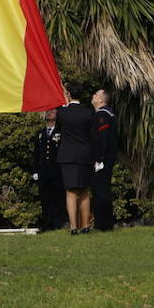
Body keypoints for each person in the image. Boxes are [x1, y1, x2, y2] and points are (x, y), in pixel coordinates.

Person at [56, 86, 95, 234]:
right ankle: (85, 226)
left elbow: (59, 128)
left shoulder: (63, 112)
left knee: (70, 192)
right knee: (84, 191)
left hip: (67, 154)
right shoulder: (88, 112)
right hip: (84, 154)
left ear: (69, 94)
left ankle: (73, 227)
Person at [31, 108, 66, 230]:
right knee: (45, 199)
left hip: (57, 171)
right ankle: (47, 223)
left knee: (58, 198)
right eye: (48, 111)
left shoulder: (61, 132)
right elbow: (36, 154)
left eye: (53, 111)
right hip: (43, 171)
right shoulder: (40, 133)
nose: (49, 113)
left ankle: (58, 224)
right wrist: (35, 170)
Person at [90, 89, 117, 232]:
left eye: (96, 95)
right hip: (104, 158)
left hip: (103, 159)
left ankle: (103, 224)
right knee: (101, 190)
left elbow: (102, 139)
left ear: (101, 100)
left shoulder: (102, 115)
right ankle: (104, 223)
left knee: (100, 191)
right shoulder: (105, 113)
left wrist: (99, 159)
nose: (93, 96)